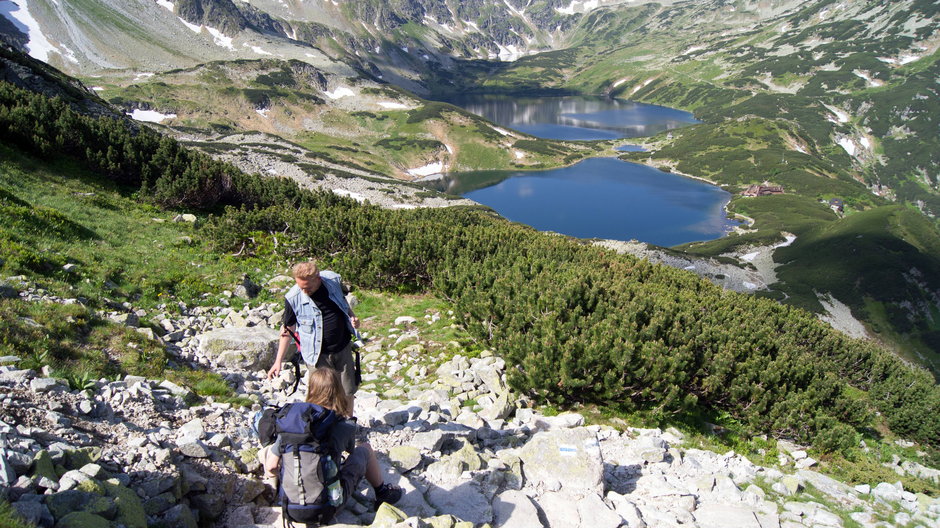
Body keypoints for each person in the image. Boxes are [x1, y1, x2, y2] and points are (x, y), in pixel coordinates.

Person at [260, 368, 403, 515]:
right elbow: (351, 451)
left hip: (290, 508)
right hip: (326, 508)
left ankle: (277, 495)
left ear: (311, 389)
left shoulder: (293, 423)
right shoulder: (343, 425)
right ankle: (382, 492)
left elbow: (271, 466)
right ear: (337, 390)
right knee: (364, 450)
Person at [268, 261, 360, 410]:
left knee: (347, 390)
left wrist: (352, 316)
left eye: (308, 288)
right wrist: (278, 361)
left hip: (342, 348)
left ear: (318, 279)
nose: (304, 291)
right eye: (300, 287)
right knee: (321, 396)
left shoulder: (333, 280)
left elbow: (342, 302)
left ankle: (347, 425)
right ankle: (321, 426)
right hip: (316, 355)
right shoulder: (293, 298)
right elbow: (287, 330)